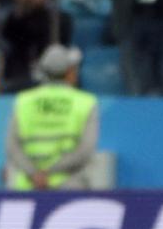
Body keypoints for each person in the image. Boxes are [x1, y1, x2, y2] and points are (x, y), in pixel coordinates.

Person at [6, 44, 99, 191]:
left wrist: (35, 174)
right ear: (70, 72)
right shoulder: (86, 103)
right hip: (69, 186)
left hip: (28, 187)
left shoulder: (23, 101)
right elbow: (85, 150)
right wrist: (50, 173)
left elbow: (12, 146)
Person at [1, 0, 73, 92]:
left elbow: (59, 39)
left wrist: (39, 7)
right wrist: (23, 7)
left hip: (51, 72)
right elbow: (11, 37)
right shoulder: (15, 19)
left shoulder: (60, 18)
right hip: (20, 75)